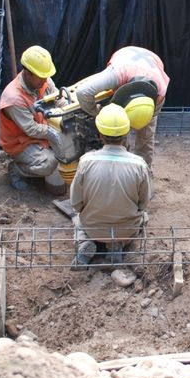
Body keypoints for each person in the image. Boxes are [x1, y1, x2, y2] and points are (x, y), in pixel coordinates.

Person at [70, 104, 152, 270]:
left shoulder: (86, 162)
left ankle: (84, 243)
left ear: (100, 135)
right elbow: (143, 204)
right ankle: (117, 246)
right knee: (144, 217)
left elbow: (76, 203)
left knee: (77, 219)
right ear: (127, 134)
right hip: (126, 229)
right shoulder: (139, 165)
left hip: (93, 228)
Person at [74, 46, 169, 169]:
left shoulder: (160, 93)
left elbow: (146, 130)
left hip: (152, 61)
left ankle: (144, 171)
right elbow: (82, 92)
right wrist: (97, 113)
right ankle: (120, 166)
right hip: (125, 58)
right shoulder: (117, 74)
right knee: (118, 131)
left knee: (146, 136)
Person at [0, 45, 74, 195]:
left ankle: (43, 169)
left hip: (41, 132)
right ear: (27, 73)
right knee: (49, 163)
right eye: (41, 76)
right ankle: (17, 169)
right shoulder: (13, 98)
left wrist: (70, 112)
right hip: (20, 142)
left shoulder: (42, 81)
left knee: (71, 149)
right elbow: (31, 129)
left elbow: (60, 100)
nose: (46, 79)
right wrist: (54, 134)